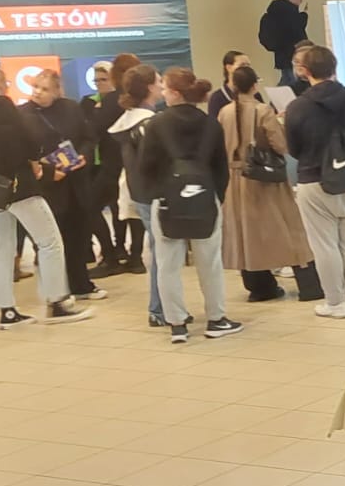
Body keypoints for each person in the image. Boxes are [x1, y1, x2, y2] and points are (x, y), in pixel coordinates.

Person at [0, 56, 92, 327]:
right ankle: (57, 303)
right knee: (50, 241)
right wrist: (36, 162)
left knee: (1, 247)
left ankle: (7, 311)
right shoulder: (1, 103)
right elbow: (25, 139)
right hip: (19, 186)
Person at [133, 67, 242, 344]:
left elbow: (145, 167)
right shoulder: (210, 124)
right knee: (210, 263)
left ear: (175, 93)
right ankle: (216, 319)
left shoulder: (156, 124)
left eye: (165, 88)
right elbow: (220, 167)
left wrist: (157, 193)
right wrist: (216, 196)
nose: (162, 93)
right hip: (204, 198)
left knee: (167, 265)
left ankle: (177, 323)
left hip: (166, 200)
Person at [219, 60, 321, 303]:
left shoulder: (224, 112)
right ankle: (310, 286)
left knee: (246, 234)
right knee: (289, 229)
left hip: (235, 180)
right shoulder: (263, 111)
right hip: (264, 180)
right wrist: (281, 123)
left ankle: (260, 287)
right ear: (255, 86)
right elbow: (281, 145)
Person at [284, 43, 345, 319]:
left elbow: (293, 148)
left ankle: (335, 303)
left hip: (314, 180)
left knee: (324, 245)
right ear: (334, 67)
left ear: (305, 71)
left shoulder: (297, 106)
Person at [22, 68, 104, 302]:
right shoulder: (23, 115)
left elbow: (89, 137)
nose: (38, 92)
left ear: (57, 91)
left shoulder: (71, 108)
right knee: (50, 240)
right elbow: (24, 153)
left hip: (76, 181)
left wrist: (83, 155)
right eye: (36, 87)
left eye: (45, 89)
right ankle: (57, 290)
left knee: (78, 236)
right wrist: (47, 171)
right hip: (47, 186)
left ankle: (81, 285)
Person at [108, 64, 167, 327]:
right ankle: (159, 308)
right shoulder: (147, 124)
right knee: (162, 253)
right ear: (149, 87)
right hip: (152, 194)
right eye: (158, 80)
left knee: (159, 251)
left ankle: (160, 307)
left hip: (140, 192)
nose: (162, 84)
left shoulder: (131, 120)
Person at [89, 50, 145, 275]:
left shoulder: (110, 101)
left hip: (112, 165)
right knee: (133, 210)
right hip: (136, 166)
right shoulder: (141, 103)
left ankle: (110, 255)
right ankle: (136, 257)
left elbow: (94, 131)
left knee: (91, 206)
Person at [259, 0, 310, 87]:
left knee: (287, 79)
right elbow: (296, 30)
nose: (301, 1)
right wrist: (304, 15)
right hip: (292, 54)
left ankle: (277, 96)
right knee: (293, 83)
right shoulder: (290, 13)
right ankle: (276, 96)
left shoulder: (275, 11)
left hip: (281, 54)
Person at [208, 49, 247, 119]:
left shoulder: (255, 94)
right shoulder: (217, 98)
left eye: (248, 65)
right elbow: (214, 123)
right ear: (228, 67)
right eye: (242, 65)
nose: (246, 68)